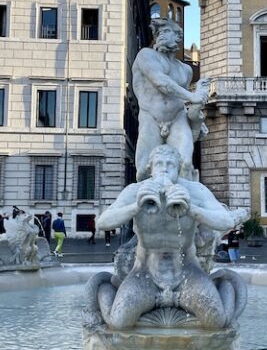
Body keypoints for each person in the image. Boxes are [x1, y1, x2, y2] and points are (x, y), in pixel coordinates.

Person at [94, 145, 240, 329]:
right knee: (119, 322)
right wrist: (136, 206)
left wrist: (192, 208)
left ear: (178, 168)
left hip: (186, 273)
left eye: (170, 164)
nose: (164, 168)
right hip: (145, 274)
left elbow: (226, 222)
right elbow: (103, 223)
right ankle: (107, 287)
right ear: (151, 168)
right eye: (159, 164)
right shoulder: (136, 190)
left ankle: (223, 285)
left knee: (216, 322)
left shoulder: (195, 191)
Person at [131, 18, 210, 180]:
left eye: (168, 31)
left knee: (185, 164)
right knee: (144, 172)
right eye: (160, 32)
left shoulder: (185, 70)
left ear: (178, 37)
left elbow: (182, 98)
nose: (162, 35)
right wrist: (194, 96)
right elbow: (161, 82)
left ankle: (182, 202)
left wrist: (196, 119)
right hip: (151, 118)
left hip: (177, 118)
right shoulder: (145, 56)